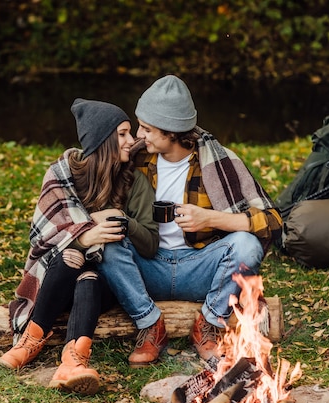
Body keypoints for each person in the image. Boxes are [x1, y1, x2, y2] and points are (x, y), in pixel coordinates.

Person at [97, 75, 283, 367]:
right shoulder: (134, 159)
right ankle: (149, 324)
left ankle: (209, 323)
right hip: (148, 266)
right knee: (108, 243)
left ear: (171, 131)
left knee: (246, 245)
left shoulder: (219, 162)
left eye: (146, 128)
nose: (138, 135)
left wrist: (211, 218)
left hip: (201, 268)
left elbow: (272, 221)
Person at [0, 98, 158, 395]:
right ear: (103, 139)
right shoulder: (62, 174)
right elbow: (44, 236)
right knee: (70, 254)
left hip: (106, 283)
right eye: (122, 134)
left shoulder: (132, 181)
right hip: (58, 278)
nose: (132, 140)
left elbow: (149, 244)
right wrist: (85, 234)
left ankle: (73, 361)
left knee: (90, 276)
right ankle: (32, 339)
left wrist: (122, 222)